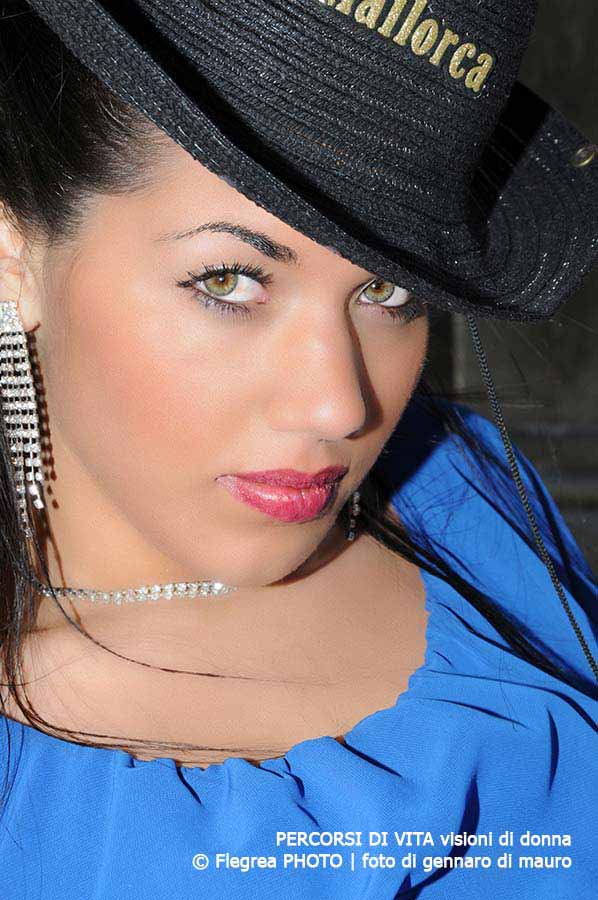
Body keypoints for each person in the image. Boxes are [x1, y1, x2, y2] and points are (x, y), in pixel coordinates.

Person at [0, 1, 596, 897]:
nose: (339, 405)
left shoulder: (463, 486)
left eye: (388, 290)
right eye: (229, 279)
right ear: (12, 258)